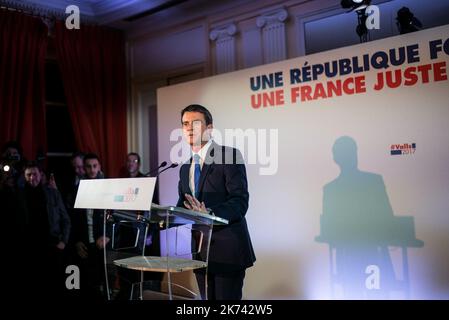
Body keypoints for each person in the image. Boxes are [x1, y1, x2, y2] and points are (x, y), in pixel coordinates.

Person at [176, 104, 256, 300]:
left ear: (209, 128)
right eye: (185, 124)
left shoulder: (228, 156)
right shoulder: (185, 168)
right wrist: (155, 217)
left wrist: (210, 214)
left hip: (228, 251)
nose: (188, 128)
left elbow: (240, 201)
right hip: (200, 253)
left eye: (195, 123)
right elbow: (182, 205)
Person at [22, 161, 71, 296]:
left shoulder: (52, 193)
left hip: (52, 245)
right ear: (24, 176)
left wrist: (64, 241)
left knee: (53, 283)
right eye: (29, 175)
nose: (32, 178)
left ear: (41, 174)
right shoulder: (19, 196)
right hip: (29, 248)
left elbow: (66, 220)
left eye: (35, 174)